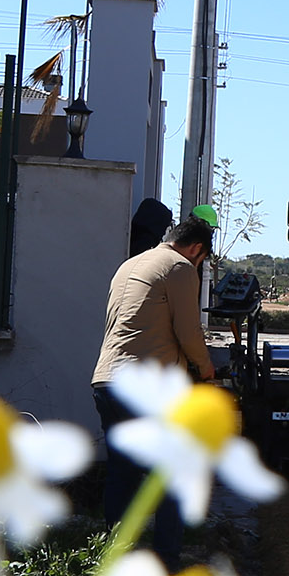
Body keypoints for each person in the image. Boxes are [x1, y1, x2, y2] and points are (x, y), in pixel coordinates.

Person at [92, 210, 219, 553]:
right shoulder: (179, 268)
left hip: (105, 382)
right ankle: (167, 562)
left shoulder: (130, 265)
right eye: (202, 260)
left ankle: (111, 554)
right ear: (195, 249)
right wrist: (206, 367)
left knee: (123, 472)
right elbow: (189, 332)